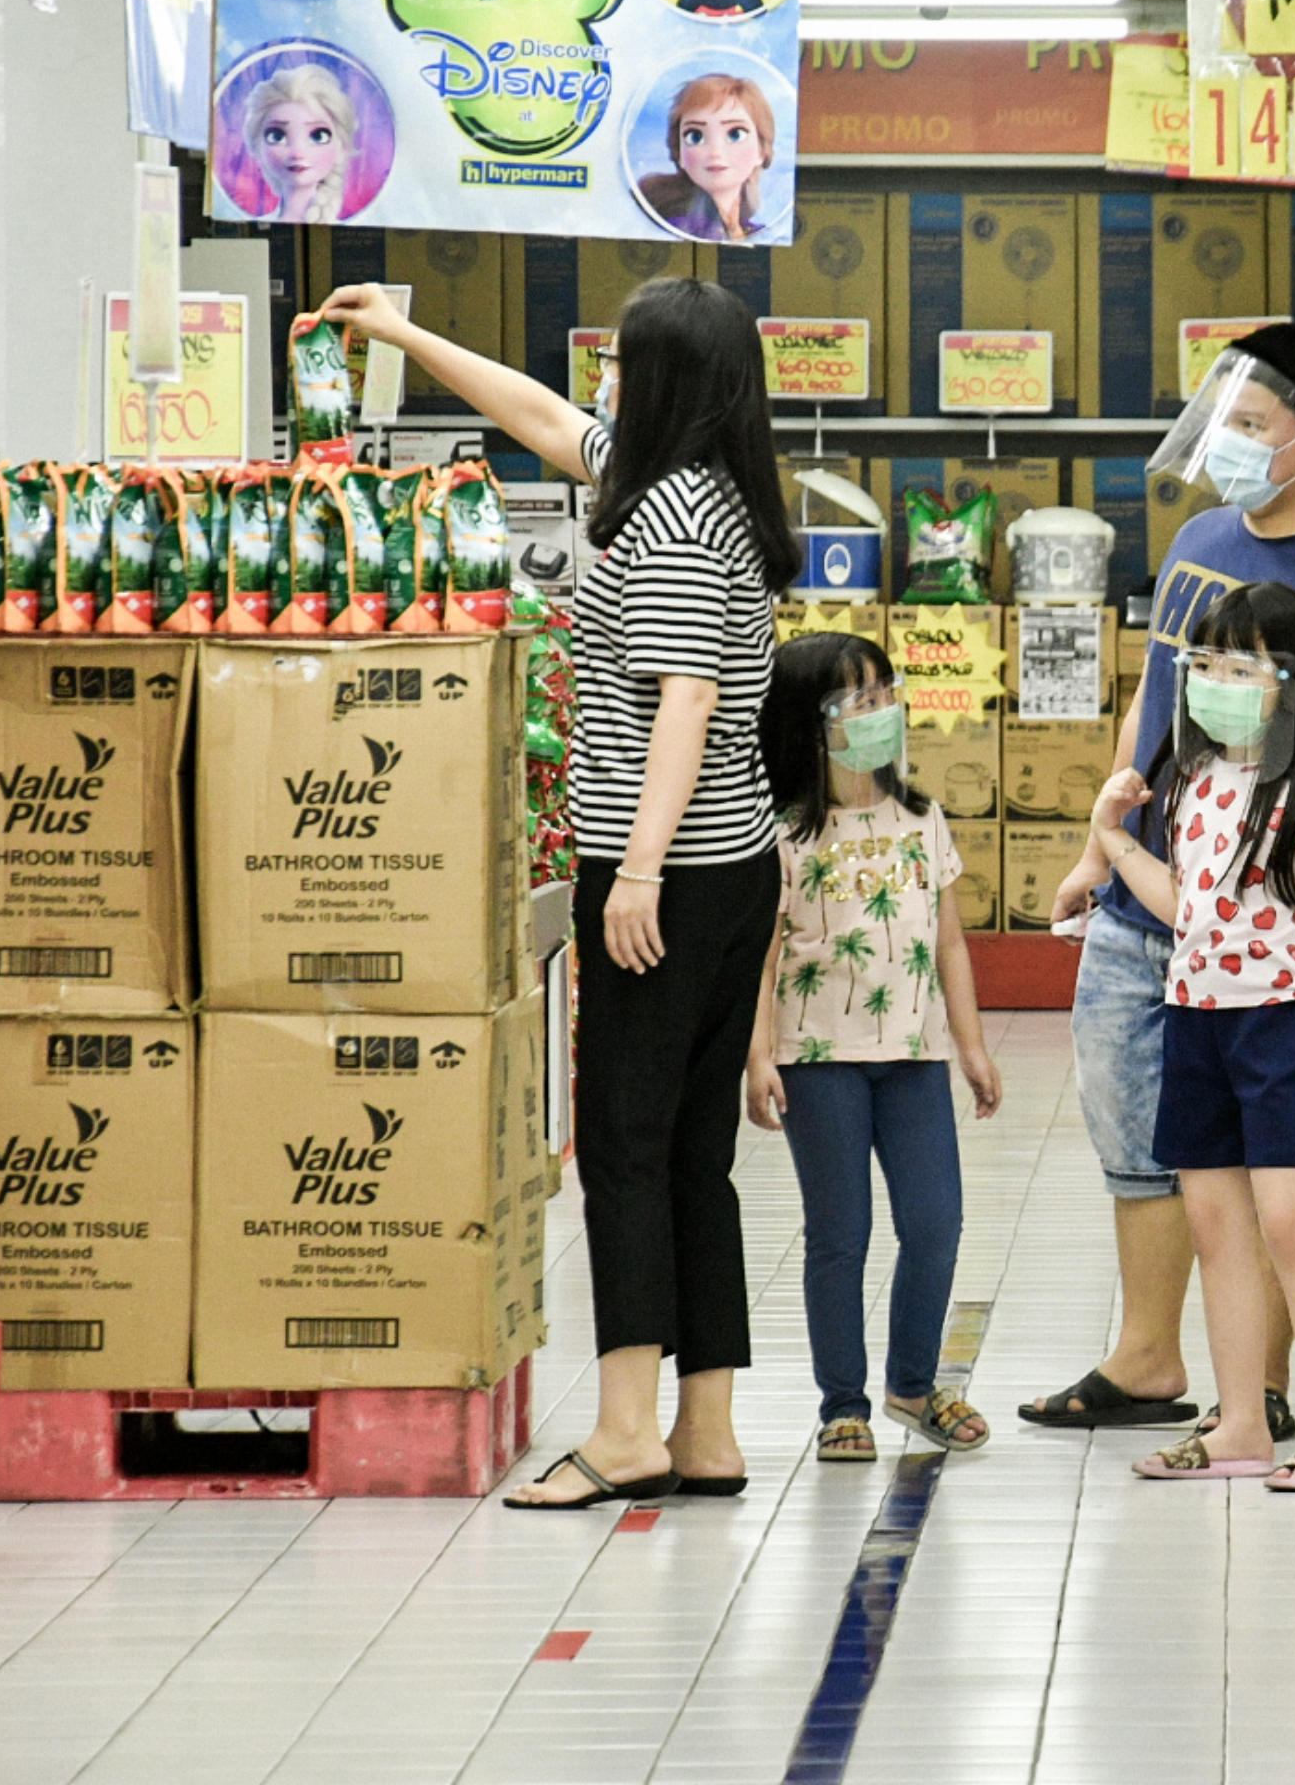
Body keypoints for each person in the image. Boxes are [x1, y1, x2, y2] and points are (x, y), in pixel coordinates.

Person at [314, 276, 799, 1508]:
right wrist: (405, 334)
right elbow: (535, 414)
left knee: (627, 1151)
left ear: (669, 382)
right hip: (723, 870)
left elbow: (684, 700)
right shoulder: (687, 483)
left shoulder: (680, 517)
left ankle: (627, 1427)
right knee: (692, 1158)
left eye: (625, 364)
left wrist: (633, 868)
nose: (604, 383)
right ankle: (706, 1429)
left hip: (669, 878)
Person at [1022, 321, 1295, 1440]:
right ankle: (1148, 1358)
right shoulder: (1197, 536)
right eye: (1222, 422)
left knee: (1268, 1182)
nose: (1229, 446)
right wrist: (1102, 855)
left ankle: (1267, 1387)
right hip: (1143, 905)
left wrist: (1213, 888)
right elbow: (1151, 709)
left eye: (1251, 427)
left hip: (1249, 937)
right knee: (1148, 1147)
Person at [1088, 583, 1295, 1490]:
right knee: (1216, 1229)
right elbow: (1190, 912)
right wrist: (1113, 838)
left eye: (1243, 665)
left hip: (1286, 1025)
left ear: (1293, 680)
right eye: (1207, 664)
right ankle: (1240, 1426)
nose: (1217, 681)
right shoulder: (1189, 784)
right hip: (1198, 1020)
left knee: (1292, 1227)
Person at [745, 632, 1005, 1462]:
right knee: (840, 1232)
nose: (880, 712)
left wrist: (970, 1046)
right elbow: (766, 953)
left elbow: (952, 943)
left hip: (916, 1056)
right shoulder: (782, 833)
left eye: (886, 693)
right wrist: (756, 1057)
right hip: (816, 1057)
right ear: (805, 724)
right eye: (857, 701)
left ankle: (914, 1385)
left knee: (937, 1222)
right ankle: (842, 1403)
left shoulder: (924, 820)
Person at [637, 75, 777, 244]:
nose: (715, 152)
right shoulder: (679, 229)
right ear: (679, 153)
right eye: (695, 136)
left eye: (735, 134)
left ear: (761, 150)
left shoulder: (761, 232)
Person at [243, 64, 357, 224]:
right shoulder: (252, 228)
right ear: (257, 147)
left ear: (341, 148)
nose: (297, 152)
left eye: (318, 136)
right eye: (277, 136)